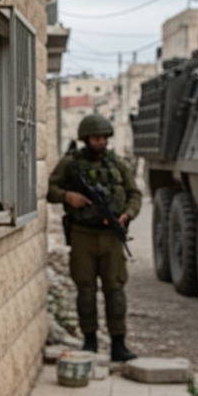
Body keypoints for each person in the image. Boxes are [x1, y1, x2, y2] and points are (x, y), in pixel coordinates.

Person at [47, 114, 143, 362]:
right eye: (96, 138)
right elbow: (51, 189)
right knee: (86, 290)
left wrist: (127, 215)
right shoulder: (70, 163)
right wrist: (69, 197)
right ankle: (89, 341)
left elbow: (134, 194)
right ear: (86, 139)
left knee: (115, 290)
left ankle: (118, 344)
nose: (100, 142)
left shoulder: (117, 164)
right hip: (83, 235)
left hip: (111, 237)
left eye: (103, 138)